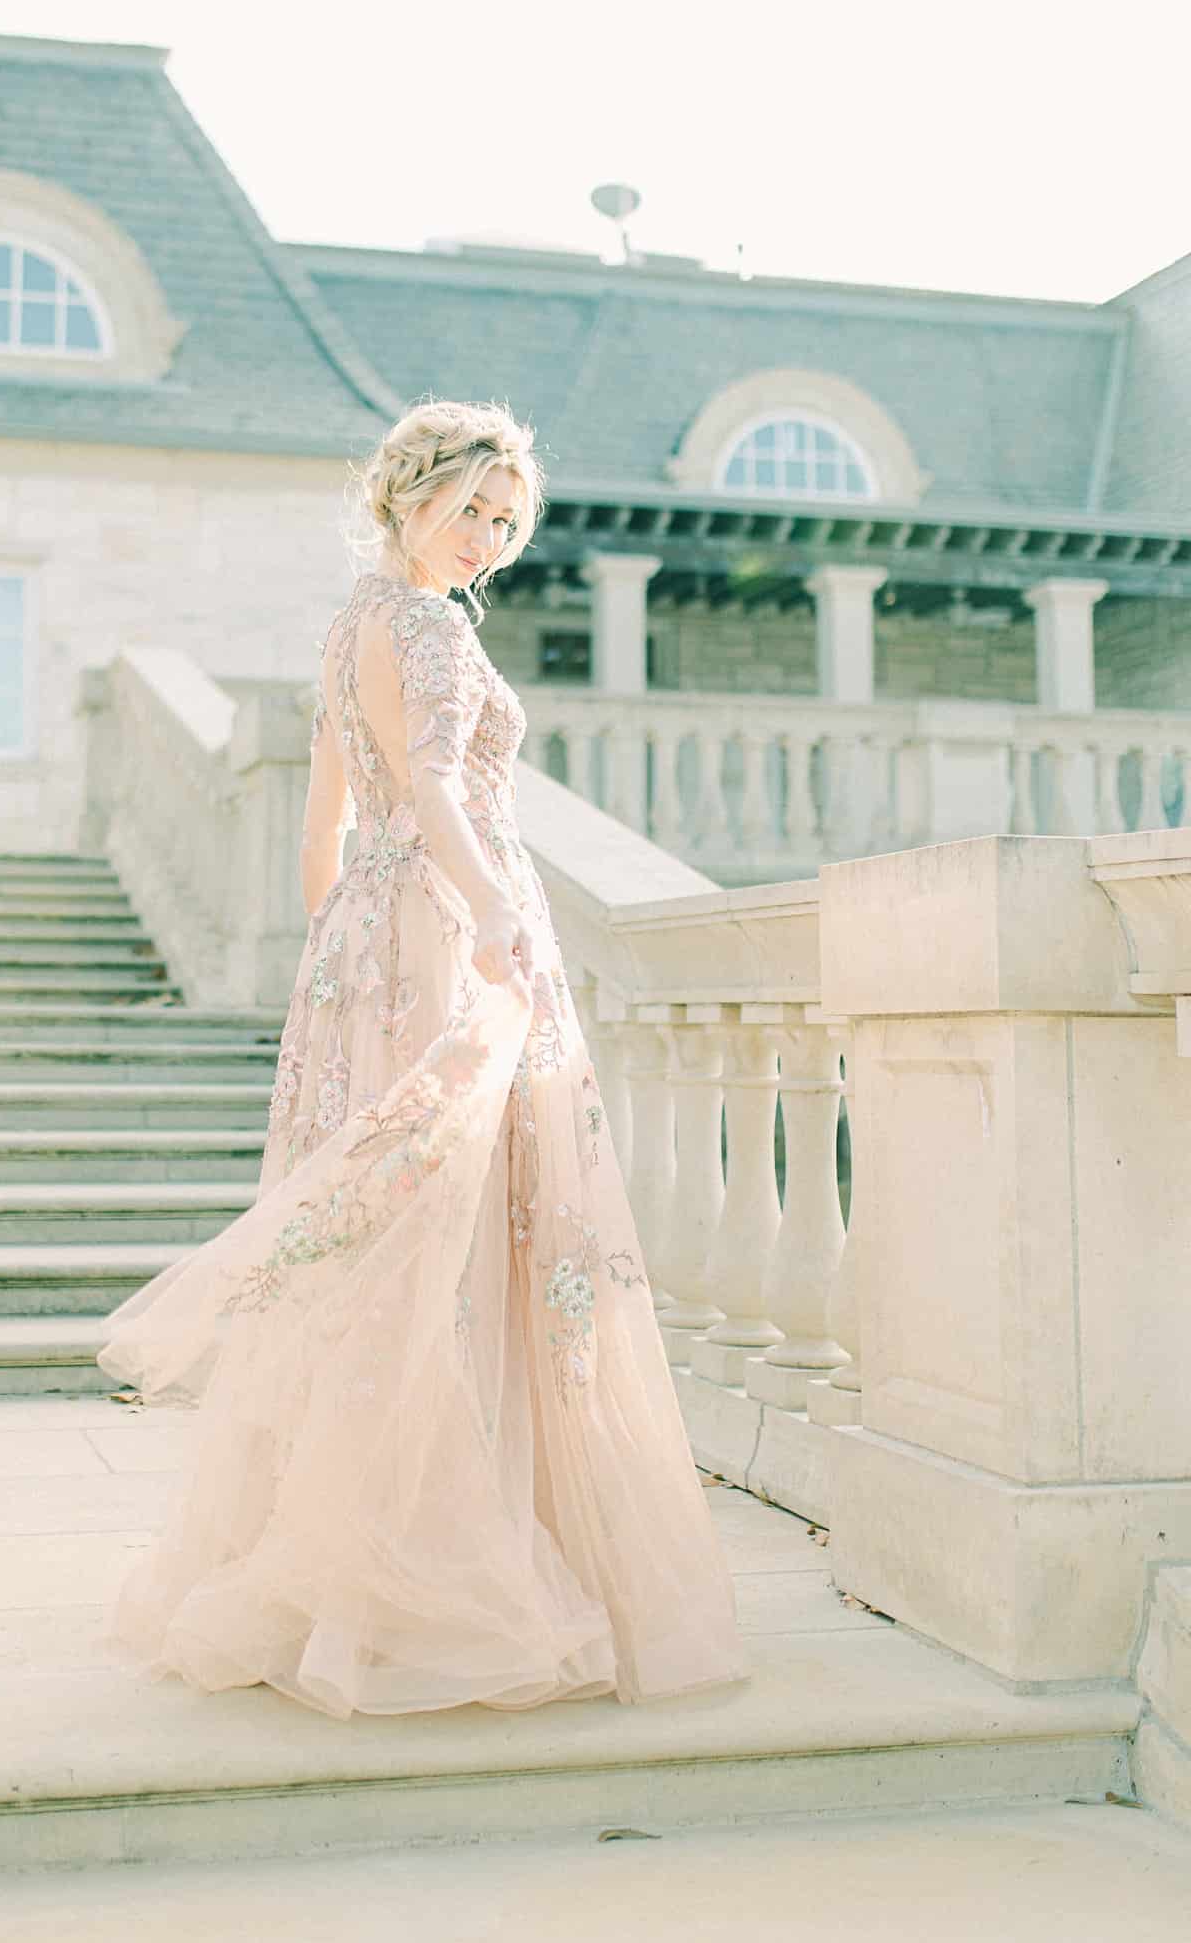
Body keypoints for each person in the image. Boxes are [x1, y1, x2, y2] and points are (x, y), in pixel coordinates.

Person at [95, 397, 749, 1719]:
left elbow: (321, 829)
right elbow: (443, 793)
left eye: (507, 522)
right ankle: (449, 1557)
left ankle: (354, 1558)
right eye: (471, 513)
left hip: (362, 941)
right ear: (408, 499)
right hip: (447, 922)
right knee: (468, 1233)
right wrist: (496, 915)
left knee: (383, 1233)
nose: (488, 542)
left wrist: (344, 944)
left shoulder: (347, 629)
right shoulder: (429, 628)